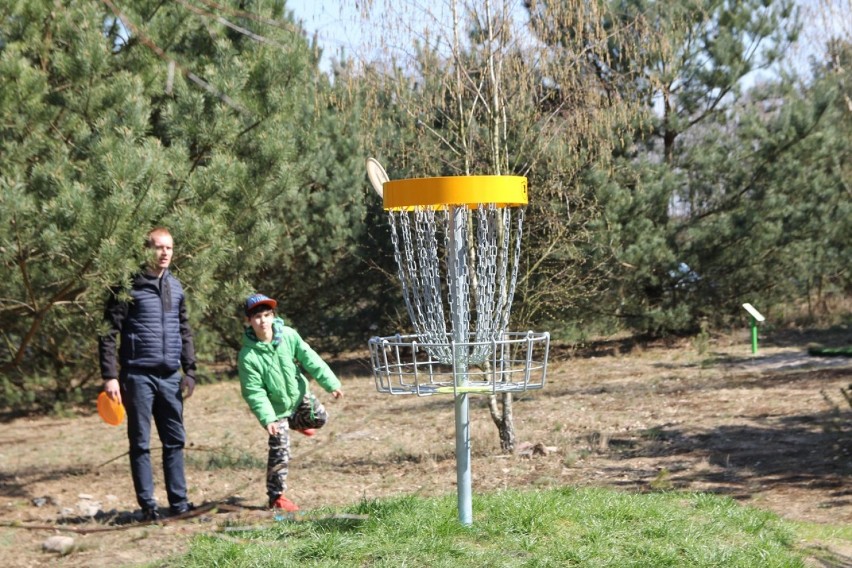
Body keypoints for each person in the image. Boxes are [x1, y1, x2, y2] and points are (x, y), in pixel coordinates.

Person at [98, 227, 197, 521]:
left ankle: (179, 505)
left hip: (170, 377)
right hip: (137, 375)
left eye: (169, 248)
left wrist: (189, 370)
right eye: (158, 247)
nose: (164, 253)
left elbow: (184, 330)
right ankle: (148, 508)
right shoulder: (126, 286)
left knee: (174, 441)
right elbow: (106, 333)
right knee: (140, 442)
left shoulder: (176, 287)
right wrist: (110, 375)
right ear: (146, 250)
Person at [238, 293, 343, 512]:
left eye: (267, 315)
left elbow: (310, 358)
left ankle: (298, 424)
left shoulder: (288, 335)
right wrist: (268, 418)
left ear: (274, 316)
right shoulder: (248, 356)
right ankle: (276, 497)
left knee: (321, 418)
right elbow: (254, 392)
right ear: (248, 321)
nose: (263, 321)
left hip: (298, 397)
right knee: (280, 451)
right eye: (257, 317)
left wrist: (331, 384)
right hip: (276, 412)